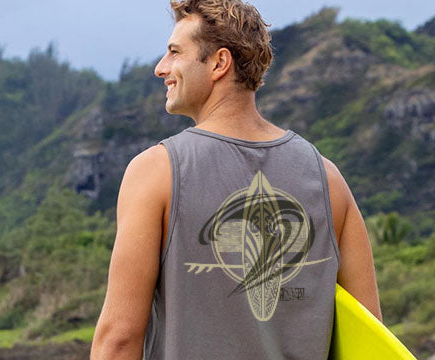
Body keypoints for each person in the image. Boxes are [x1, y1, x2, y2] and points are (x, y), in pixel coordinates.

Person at [89, 0, 382, 359]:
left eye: (175, 52)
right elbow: (371, 344)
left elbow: (119, 340)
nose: (160, 68)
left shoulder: (157, 172)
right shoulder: (328, 180)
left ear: (219, 63)